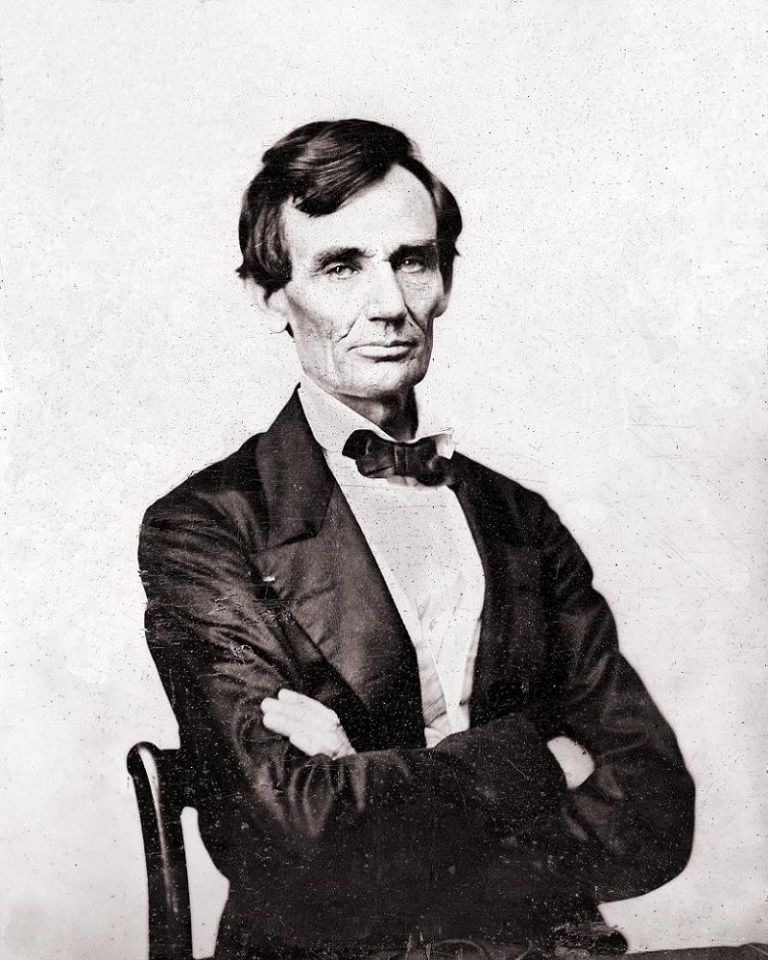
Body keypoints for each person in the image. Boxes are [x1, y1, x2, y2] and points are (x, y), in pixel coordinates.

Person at [138, 119, 695, 960]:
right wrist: (538, 762)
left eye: (413, 261)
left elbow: (655, 810)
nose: (390, 306)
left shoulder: (521, 519)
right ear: (269, 297)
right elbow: (294, 829)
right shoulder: (207, 526)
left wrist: (362, 773)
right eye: (341, 266)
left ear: (446, 280)